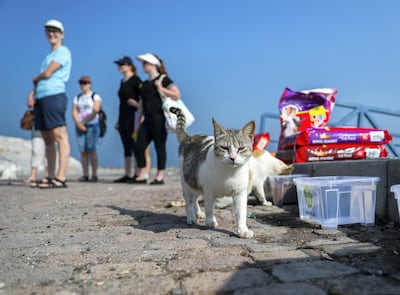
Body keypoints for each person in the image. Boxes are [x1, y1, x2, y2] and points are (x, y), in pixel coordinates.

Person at [27, 19, 71, 188]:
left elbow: (47, 73)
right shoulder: (49, 55)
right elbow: (42, 79)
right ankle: (51, 176)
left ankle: (61, 177)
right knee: (46, 138)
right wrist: (33, 93)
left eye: (56, 31)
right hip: (42, 97)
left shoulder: (63, 51)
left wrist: (35, 78)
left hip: (55, 96)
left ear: (62, 34)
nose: (52, 34)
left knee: (60, 135)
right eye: (49, 30)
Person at [133, 53, 181, 185]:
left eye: (145, 63)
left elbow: (177, 94)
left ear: (153, 64)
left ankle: (160, 176)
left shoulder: (163, 79)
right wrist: (137, 122)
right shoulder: (144, 84)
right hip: (146, 120)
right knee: (138, 146)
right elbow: (141, 104)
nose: (143, 66)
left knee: (159, 147)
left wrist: (161, 88)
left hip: (159, 118)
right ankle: (142, 174)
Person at [113, 56, 152, 183]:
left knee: (138, 146)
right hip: (123, 116)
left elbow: (144, 98)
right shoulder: (122, 81)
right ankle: (127, 173)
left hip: (134, 116)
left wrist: (136, 107)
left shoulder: (136, 80)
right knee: (126, 145)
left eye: (122, 64)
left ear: (129, 66)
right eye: (119, 64)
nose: (120, 66)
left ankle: (140, 173)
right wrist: (118, 120)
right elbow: (121, 102)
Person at [72, 75, 102, 182]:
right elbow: (74, 111)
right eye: (81, 83)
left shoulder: (95, 96)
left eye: (85, 83)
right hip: (79, 126)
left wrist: (84, 122)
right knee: (83, 151)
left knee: (91, 150)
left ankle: (94, 174)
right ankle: (85, 174)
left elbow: (96, 110)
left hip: (92, 125)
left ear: (90, 84)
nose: (83, 85)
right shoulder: (77, 98)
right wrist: (78, 123)